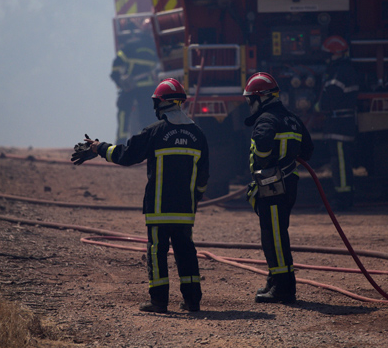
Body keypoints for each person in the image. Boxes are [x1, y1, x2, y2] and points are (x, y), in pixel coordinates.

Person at [72, 78, 209, 314]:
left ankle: (158, 302)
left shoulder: (154, 133)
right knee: (186, 252)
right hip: (185, 211)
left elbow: (126, 155)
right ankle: (192, 301)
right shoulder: (198, 135)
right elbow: (203, 177)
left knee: (157, 252)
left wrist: (98, 147)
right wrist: (193, 201)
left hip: (158, 209)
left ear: (161, 104)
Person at [242, 72, 314, 304]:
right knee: (273, 234)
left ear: (261, 98)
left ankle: (284, 287)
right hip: (288, 185)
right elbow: (308, 151)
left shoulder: (266, 120)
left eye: (251, 99)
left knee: (274, 236)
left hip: (272, 186)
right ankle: (274, 280)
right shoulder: (292, 119)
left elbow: (262, 147)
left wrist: (266, 163)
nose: (250, 104)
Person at [316, 35, 360, 209]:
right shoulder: (343, 70)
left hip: (339, 124)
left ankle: (343, 198)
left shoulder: (340, 73)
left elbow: (330, 99)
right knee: (339, 160)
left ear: (334, 54)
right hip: (340, 123)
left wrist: (318, 106)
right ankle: (344, 195)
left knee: (340, 161)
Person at [111, 22, 158, 142]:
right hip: (148, 88)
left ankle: (120, 144)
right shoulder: (155, 48)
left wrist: (119, 80)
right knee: (147, 117)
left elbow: (116, 66)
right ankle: (145, 146)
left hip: (129, 88)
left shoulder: (130, 45)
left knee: (123, 114)